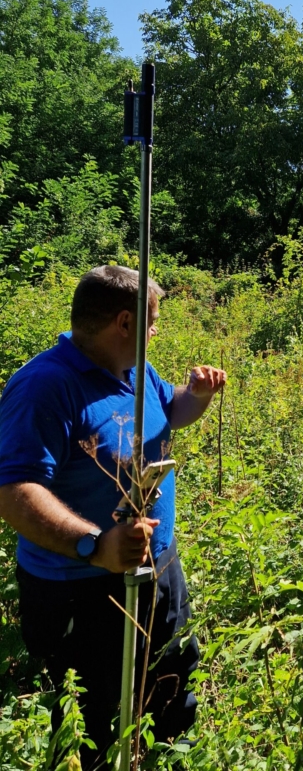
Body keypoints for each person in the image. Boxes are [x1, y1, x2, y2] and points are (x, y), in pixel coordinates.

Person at [0, 265, 226, 769]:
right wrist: (95, 545)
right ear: (124, 322)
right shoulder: (44, 387)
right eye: (152, 322)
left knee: (170, 685)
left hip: (157, 567)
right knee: (93, 721)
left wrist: (197, 397)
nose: (156, 331)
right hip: (82, 587)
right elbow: (14, 492)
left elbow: (171, 410)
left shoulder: (134, 369)